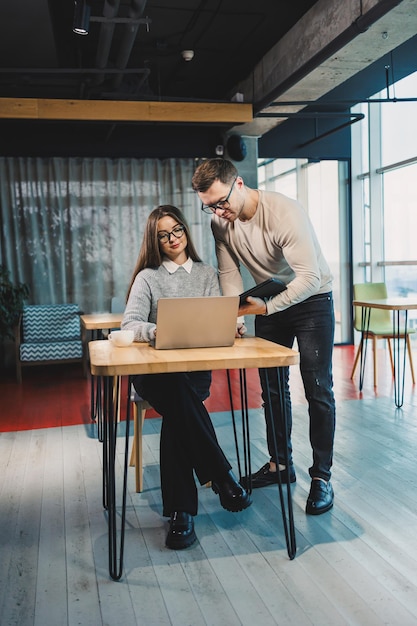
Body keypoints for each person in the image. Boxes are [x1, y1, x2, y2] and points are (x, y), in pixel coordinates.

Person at [191, 159, 336, 516]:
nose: (218, 211)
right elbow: (230, 272)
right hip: (267, 298)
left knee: (318, 388)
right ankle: (280, 466)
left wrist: (265, 310)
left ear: (238, 184)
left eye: (221, 201)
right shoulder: (219, 222)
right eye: (209, 206)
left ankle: (322, 477)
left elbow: (310, 278)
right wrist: (232, 314)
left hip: (312, 298)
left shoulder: (284, 212)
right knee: (272, 389)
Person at [122, 204, 251, 550]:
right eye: (163, 235)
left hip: (193, 375)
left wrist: (230, 325)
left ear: (184, 230)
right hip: (153, 374)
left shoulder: (207, 274)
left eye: (176, 230)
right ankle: (221, 477)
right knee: (176, 389)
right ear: (155, 240)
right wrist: (156, 331)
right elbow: (129, 324)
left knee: (179, 410)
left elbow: (214, 320)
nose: (172, 238)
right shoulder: (147, 277)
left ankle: (182, 513)